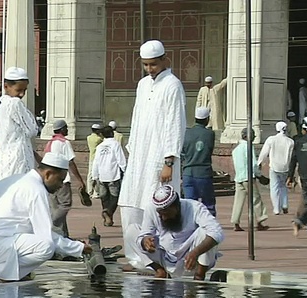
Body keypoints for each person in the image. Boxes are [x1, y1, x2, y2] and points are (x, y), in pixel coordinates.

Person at [119, 39, 186, 271]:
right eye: (146, 65)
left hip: (159, 158)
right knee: (130, 207)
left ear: (164, 60)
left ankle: (161, 258)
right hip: (139, 156)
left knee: (158, 208)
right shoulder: (142, 85)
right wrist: (132, 151)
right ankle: (136, 258)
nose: (149, 69)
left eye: (153, 64)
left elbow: (175, 124)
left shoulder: (172, 85)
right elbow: (137, 119)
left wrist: (169, 160)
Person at [0, 152, 92, 281]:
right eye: (60, 180)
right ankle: (2, 273)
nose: (60, 186)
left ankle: (6, 269)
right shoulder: (36, 190)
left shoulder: (16, 178)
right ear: (48, 174)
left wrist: (8, 208)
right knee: (46, 247)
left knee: (30, 232)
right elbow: (46, 235)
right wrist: (77, 248)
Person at [124, 185, 224, 280]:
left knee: (206, 233)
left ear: (177, 207)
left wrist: (195, 253)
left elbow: (217, 232)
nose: (163, 218)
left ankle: (199, 276)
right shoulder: (151, 208)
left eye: (166, 213)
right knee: (132, 230)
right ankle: (159, 271)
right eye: (160, 214)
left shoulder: (195, 207)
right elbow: (145, 233)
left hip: (190, 262)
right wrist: (145, 241)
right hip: (164, 258)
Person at [0, 66, 41, 181]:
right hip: (17, 160)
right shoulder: (14, 103)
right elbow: (32, 130)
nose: (22, 94)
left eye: (24, 90)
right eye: (19, 90)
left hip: (3, 160)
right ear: (6, 86)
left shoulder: (1, 107)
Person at [44, 119, 86, 237]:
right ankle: (51, 223)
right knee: (65, 205)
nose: (67, 130)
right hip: (62, 179)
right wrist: (80, 180)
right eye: (66, 128)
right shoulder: (64, 143)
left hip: (49, 179)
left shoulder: (50, 143)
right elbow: (71, 162)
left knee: (55, 207)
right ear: (62, 129)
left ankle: (63, 235)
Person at [231, 128, 269, 231]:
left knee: (238, 201)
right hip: (248, 177)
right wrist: (260, 176)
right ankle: (260, 220)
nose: (253, 138)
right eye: (252, 136)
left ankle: (235, 222)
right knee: (256, 200)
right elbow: (253, 164)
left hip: (239, 178)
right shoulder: (248, 146)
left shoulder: (236, 149)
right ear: (246, 136)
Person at [181, 107, 216, 216]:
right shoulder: (210, 134)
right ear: (207, 119)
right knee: (208, 204)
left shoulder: (186, 133)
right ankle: (209, 227)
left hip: (188, 173)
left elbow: (182, 152)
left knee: (190, 205)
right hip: (203, 173)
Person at [92, 125, 127, 227]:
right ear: (112, 133)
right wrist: (125, 170)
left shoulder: (100, 147)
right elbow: (120, 159)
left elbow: (96, 162)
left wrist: (95, 176)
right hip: (113, 174)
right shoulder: (115, 145)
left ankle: (108, 220)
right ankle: (108, 213)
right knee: (115, 197)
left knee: (104, 198)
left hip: (101, 175)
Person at [257, 121, 294, 215]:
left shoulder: (271, 139)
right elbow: (291, 156)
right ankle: (285, 204)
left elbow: (264, 152)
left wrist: (260, 162)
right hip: (285, 167)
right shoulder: (290, 141)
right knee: (283, 186)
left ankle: (276, 208)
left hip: (274, 167)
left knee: (274, 188)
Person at [86, 123, 104, 198]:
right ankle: (96, 192)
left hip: (91, 157)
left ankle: (89, 191)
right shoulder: (99, 139)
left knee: (90, 175)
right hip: (97, 158)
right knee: (97, 175)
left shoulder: (88, 137)